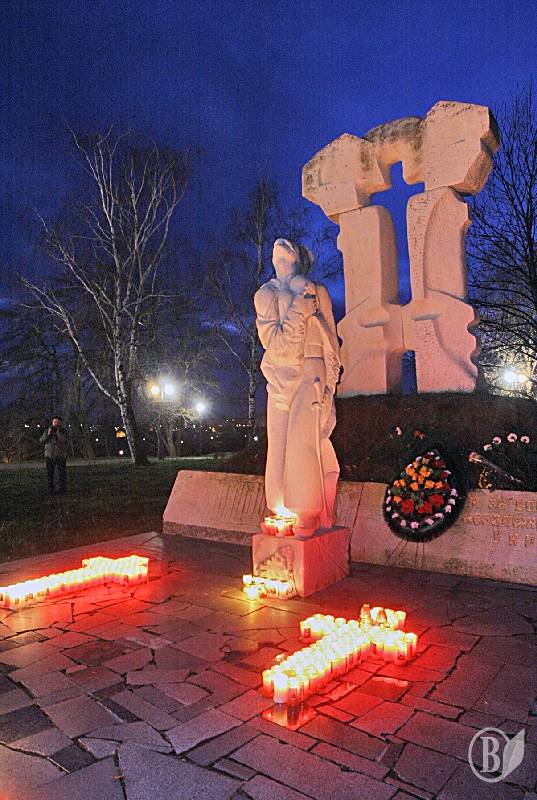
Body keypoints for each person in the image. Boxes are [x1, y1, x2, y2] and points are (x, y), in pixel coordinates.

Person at [254, 237, 341, 535]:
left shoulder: (316, 291)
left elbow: (331, 344)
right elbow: (277, 346)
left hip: (310, 372)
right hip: (279, 377)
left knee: (303, 443)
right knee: (278, 444)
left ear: (301, 259)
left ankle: (307, 512)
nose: (282, 244)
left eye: (291, 247)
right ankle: (279, 509)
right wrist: (298, 312)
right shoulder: (265, 295)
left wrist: (329, 388)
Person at [39, 416, 67, 494]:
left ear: (60, 423)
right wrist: (48, 434)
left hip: (60, 455)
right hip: (49, 455)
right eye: (54, 422)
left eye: (57, 422)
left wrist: (58, 432)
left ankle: (62, 489)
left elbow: (63, 440)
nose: (55, 424)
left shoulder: (63, 431)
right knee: (50, 474)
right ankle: (50, 489)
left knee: (61, 474)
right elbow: (41, 440)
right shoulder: (47, 430)